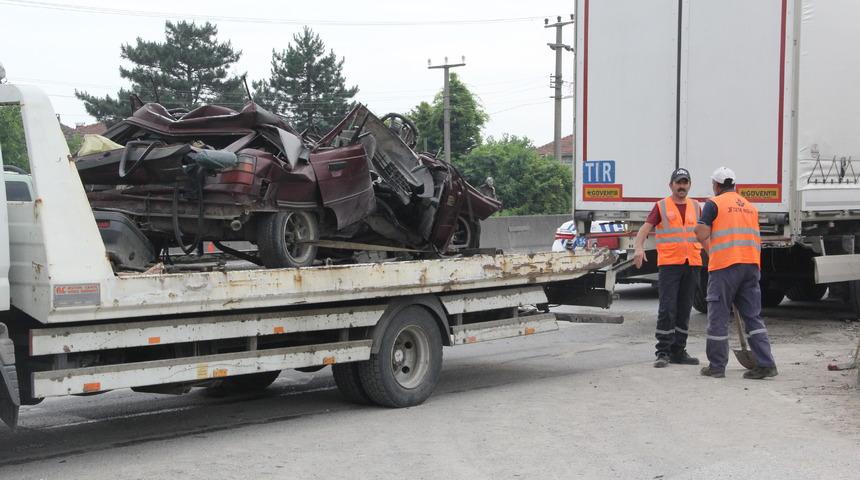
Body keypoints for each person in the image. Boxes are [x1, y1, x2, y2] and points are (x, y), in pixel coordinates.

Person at [694, 167, 778, 379]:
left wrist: (705, 228)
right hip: (750, 265)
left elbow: (701, 232)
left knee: (718, 317)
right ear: (734, 185)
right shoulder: (749, 207)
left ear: (716, 185)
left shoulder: (714, 204)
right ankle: (766, 364)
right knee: (753, 317)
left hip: (724, 267)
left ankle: (716, 366)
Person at [632, 167, 705, 368]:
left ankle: (678, 351)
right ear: (671, 185)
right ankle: (662, 352)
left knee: (684, 309)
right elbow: (645, 229)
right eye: (678, 182)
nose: (682, 186)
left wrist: (716, 255)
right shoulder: (661, 206)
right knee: (667, 309)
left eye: (685, 182)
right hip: (670, 264)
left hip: (692, 263)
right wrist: (638, 248)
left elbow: (705, 234)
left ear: (689, 185)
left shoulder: (697, 206)